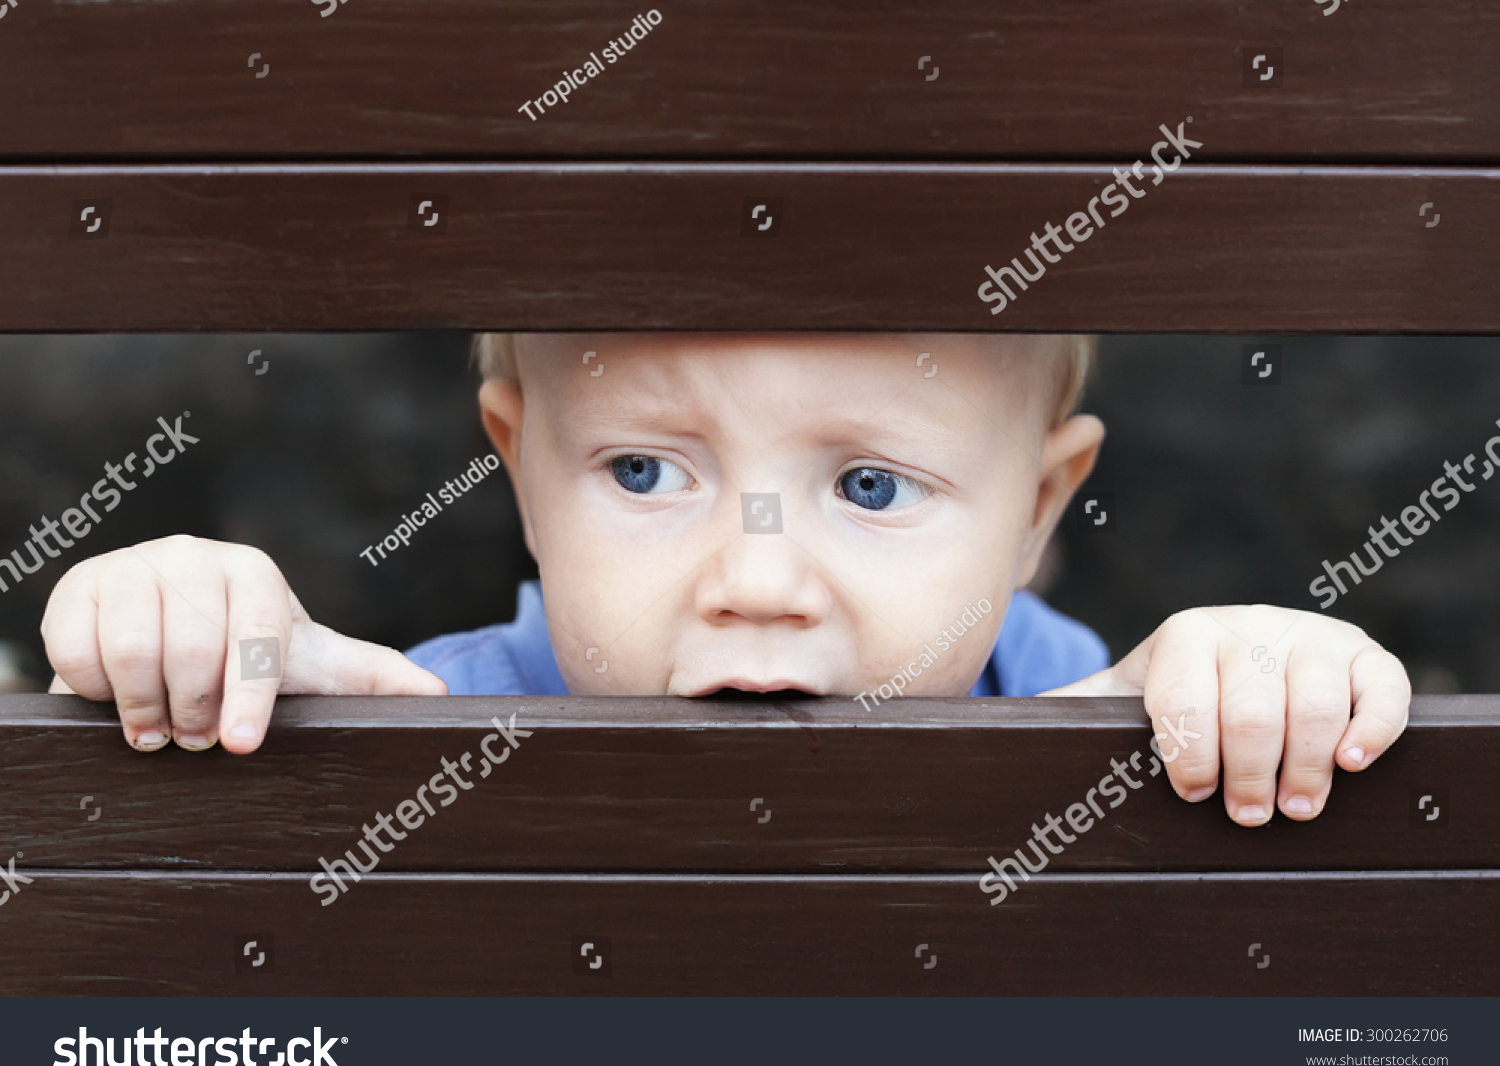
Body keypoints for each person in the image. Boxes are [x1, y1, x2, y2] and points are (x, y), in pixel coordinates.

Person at [39, 332, 1411, 827]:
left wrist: (1246, 677)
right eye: (644, 472)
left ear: (1035, 510)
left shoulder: (1090, 713)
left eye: (870, 487)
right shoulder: (422, 721)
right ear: (517, 471)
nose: (758, 583)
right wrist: (222, 638)